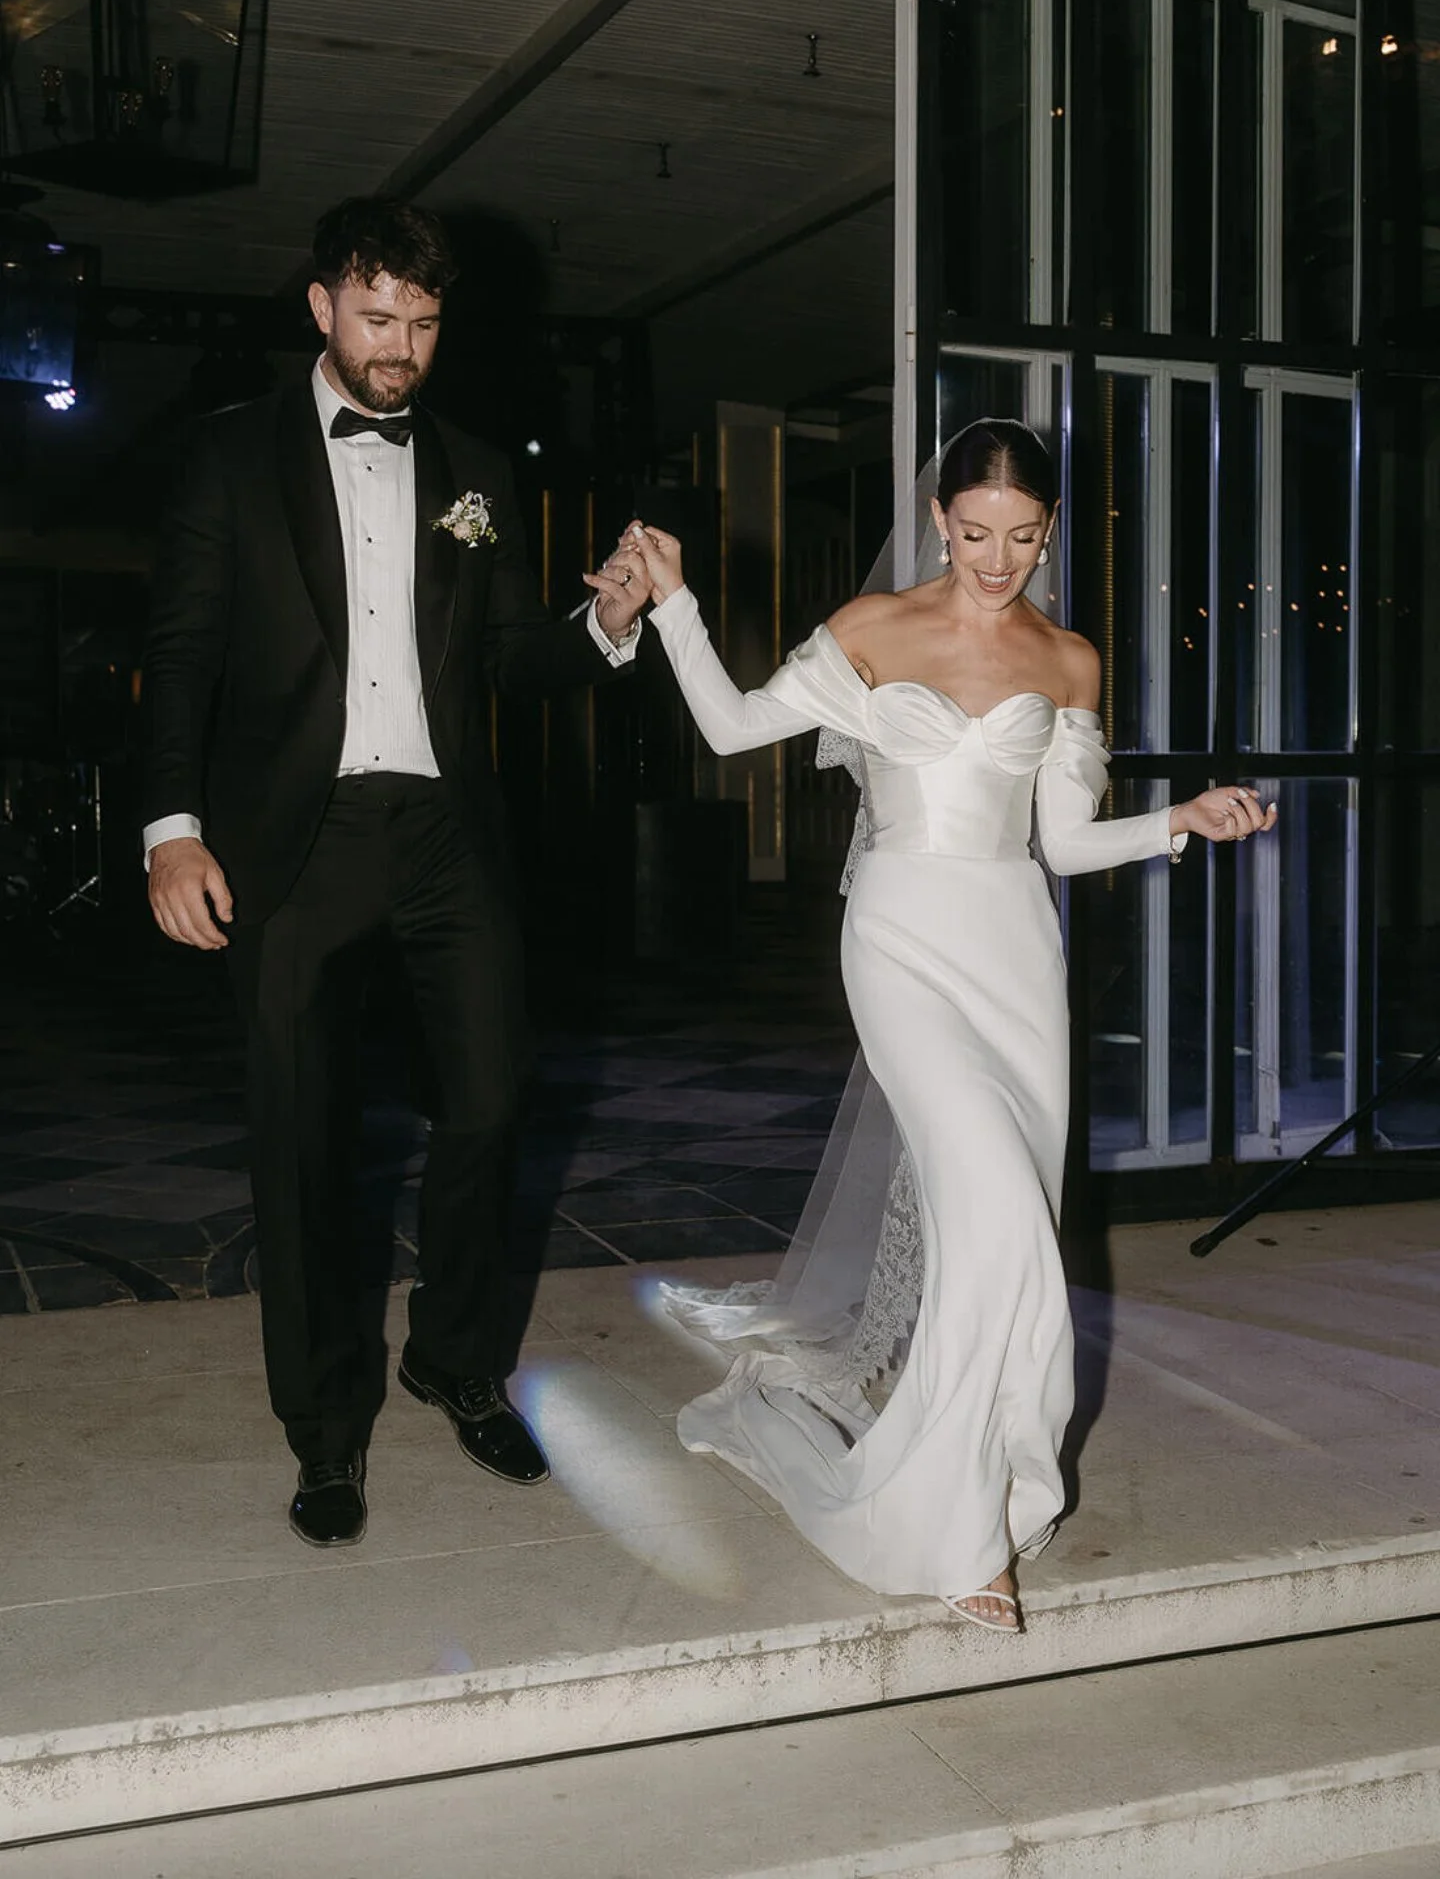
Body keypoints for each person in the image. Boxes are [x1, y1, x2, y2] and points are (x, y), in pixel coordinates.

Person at [615, 420, 1275, 1629]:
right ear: (938, 520)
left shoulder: (1068, 659)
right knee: (999, 1220)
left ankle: (993, 1471)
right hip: (903, 942)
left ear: (1052, 530)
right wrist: (675, 609)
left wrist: (1181, 818)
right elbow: (728, 728)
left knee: (1021, 1236)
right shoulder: (873, 633)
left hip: (1019, 958)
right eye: (976, 533)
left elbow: (1064, 844)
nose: (998, 558)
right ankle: (966, 1532)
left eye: (1024, 537)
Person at [141, 197, 646, 1547]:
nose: (400, 348)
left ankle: (455, 1359)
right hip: (288, 844)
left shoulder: (477, 468)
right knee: (303, 1146)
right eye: (377, 318)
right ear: (320, 306)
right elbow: (181, 654)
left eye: (423, 324)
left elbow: (508, 662)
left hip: (441, 836)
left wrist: (599, 623)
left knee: (488, 1101)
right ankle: (323, 1428)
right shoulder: (229, 459)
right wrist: (168, 828)